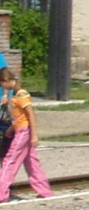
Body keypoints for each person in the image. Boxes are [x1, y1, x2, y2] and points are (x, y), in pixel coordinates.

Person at [0, 67, 53, 202]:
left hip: (23, 132)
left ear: (6, 80)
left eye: (1, 84)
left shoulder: (21, 95)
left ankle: (1, 194)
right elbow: (19, 117)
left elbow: (30, 115)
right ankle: (45, 192)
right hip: (20, 129)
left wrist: (34, 135)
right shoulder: (15, 94)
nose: (2, 87)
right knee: (31, 163)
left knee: (9, 161)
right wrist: (11, 129)